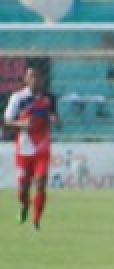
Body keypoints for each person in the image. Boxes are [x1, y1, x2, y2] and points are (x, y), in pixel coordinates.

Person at [3, 64, 58, 230]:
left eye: (37, 76)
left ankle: (36, 222)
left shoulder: (49, 98)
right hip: (24, 149)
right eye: (31, 76)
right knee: (23, 188)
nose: (35, 80)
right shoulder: (17, 98)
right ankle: (24, 205)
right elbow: (6, 121)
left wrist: (53, 120)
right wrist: (22, 124)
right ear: (26, 79)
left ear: (42, 79)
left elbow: (55, 118)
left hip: (42, 148)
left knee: (41, 183)